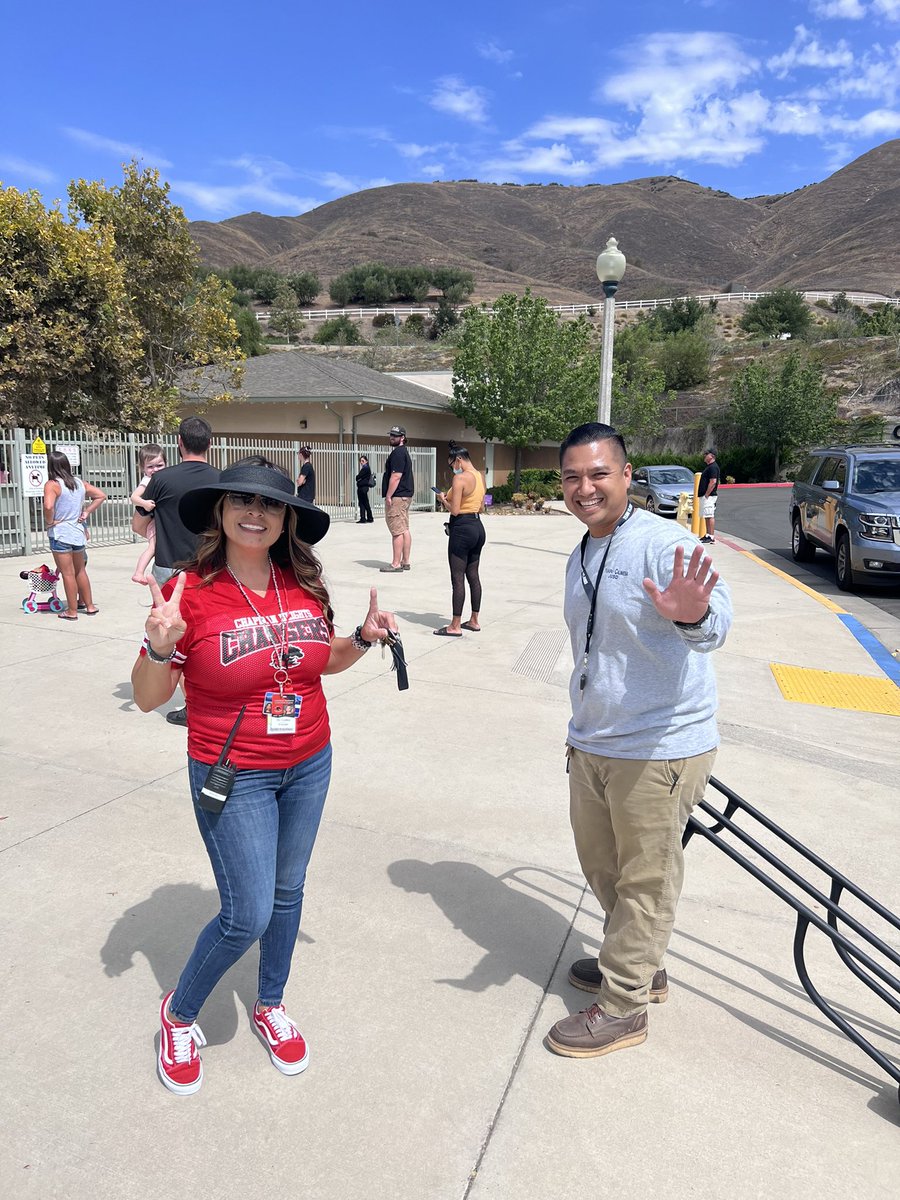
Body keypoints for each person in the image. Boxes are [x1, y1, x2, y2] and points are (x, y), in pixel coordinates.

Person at [131, 456, 400, 1096]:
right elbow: (147, 698)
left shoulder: (301, 582)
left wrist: (361, 639)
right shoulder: (189, 592)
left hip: (308, 760)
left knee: (288, 890)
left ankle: (269, 1003)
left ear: (286, 520)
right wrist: (160, 645)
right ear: (220, 514)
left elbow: (317, 662)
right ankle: (180, 1011)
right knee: (246, 913)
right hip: (234, 770)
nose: (256, 514)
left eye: (271, 506)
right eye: (242, 503)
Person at [545, 422, 732, 1060]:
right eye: (572, 476)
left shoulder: (664, 542)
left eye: (598, 474)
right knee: (605, 868)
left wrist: (695, 614)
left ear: (627, 476)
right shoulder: (583, 549)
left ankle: (625, 1003)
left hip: (660, 745)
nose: (584, 488)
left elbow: (716, 623)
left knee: (646, 879)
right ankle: (637, 957)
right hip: (594, 738)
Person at [132, 417, 220, 727]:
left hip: (169, 569)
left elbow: (138, 523)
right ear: (209, 443)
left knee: (169, 635)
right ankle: (201, 699)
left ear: (179, 442)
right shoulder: (220, 480)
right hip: (210, 567)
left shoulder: (161, 479)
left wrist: (158, 535)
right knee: (205, 636)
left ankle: (186, 702)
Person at [42, 451, 106, 620]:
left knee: (68, 574)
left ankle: (71, 611)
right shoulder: (79, 483)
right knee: (80, 571)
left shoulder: (52, 484)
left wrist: (50, 522)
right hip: (77, 532)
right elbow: (101, 495)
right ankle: (90, 606)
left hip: (61, 534)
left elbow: (48, 506)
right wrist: (86, 512)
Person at [434, 444, 486, 636]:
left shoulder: (460, 478)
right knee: (473, 575)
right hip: (478, 527)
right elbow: (481, 507)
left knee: (457, 578)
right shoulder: (480, 477)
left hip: (462, 528)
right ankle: (474, 620)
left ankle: (455, 625)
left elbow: (454, 509)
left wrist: (442, 499)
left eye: (451, 465)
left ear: (458, 460)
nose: (452, 469)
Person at [130, 444, 168, 584]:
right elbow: (134, 497)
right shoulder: (147, 481)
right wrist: (145, 504)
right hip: (153, 522)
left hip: (156, 521)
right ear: (142, 468)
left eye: (159, 465)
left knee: (156, 548)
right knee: (152, 547)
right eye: (150, 467)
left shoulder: (160, 479)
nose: (155, 470)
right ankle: (139, 572)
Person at [380, 425, 414, 572]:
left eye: (395, 435)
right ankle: (405, 561)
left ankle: (396, 563)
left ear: (403, 438)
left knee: (397, 531)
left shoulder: (398, 453)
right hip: (405, 496)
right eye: (391, 435)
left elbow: (396, 476)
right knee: (404, 528)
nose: (392, 437)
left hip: (398, 496)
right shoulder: (403, 452)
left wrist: (389, 495)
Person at [699, 448, 721, 544]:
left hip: (710, 496)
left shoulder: (713, 467)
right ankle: (707, 535)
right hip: (706, 496)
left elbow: (713, 482)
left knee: (710, 515)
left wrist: (707, 494)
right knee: (706, 515)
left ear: (712, 456)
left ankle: (711, 536)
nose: (704, 455)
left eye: (706, 454)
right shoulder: (709, 467)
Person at [355, 454, 374, 523]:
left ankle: (366, 518)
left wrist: (358, 477)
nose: (361, 462)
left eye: (363, 461)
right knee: (364, 502)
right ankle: (367, 517)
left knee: (363, 503)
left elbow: (358, 477)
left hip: (363, 488)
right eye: (361, 461)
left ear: (366, 461)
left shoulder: (365, 468)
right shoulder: (366, 468)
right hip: (363, 488)